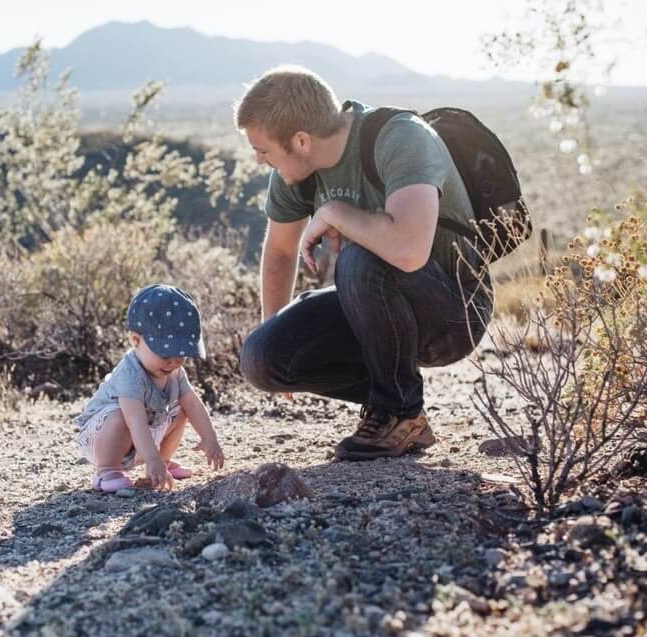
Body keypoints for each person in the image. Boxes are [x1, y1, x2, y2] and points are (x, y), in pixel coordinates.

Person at [235, 65, 493, 461]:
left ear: (301, 140)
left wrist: (336, 211)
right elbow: (282, 252)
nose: (258, 161)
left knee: (359, 258)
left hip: (454, 310)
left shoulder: (400, 137)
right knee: (263, 358)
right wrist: (277, 331)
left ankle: (398, 411)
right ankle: (406, 413)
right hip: (373, 307)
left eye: (263, 150)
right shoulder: (295, 173)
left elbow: (408, 250)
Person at [74, 284, 226, 492]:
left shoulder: (173, 370)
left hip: (143, 435)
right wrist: (150, 458)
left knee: (181, 410)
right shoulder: (131, 373)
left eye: (180, 354)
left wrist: (210, 439)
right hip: (102, 437)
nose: (173, 362)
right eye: (165, 354)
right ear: (136, 340)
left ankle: (162, 462)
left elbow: (194, 404)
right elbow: (134, 420)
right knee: (119, 415)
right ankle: (106, 470)